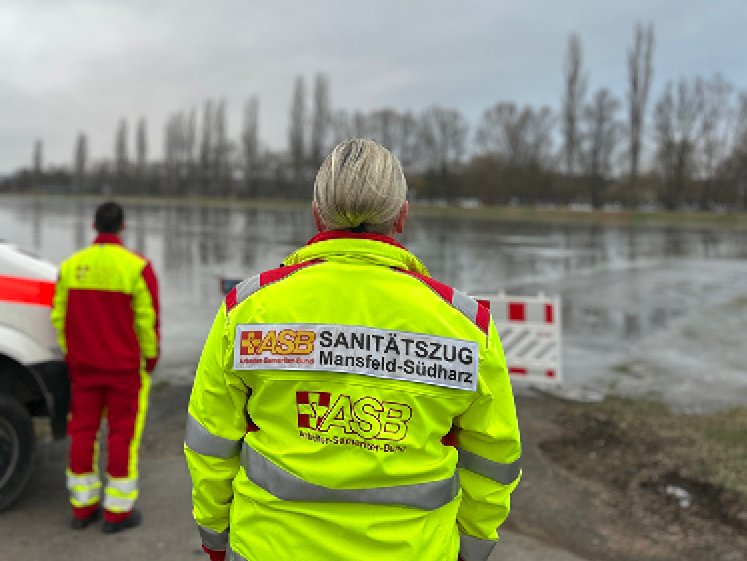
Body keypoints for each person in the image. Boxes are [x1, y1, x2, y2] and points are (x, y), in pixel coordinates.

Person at [184, 139, 522, 561]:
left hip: (269, 548)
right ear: (401, 217)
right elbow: (493, 460)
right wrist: (471, 549)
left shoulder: (249, 309)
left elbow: (211, 446)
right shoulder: (465, 327)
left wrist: (215, 538)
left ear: (317, 215)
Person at [52, 201, 160, 534]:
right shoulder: (137, 267)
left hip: (83, 366)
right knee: (121, 434)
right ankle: (117, 513)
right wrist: (150, 358)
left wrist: (72, 353)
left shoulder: (72, 266)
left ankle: (82, 508)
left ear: (93, 226)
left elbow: (59, 317)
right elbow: (147, 322)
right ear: (122, 227)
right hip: (124, 369)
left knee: (82, 431)